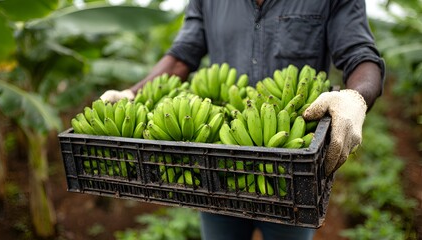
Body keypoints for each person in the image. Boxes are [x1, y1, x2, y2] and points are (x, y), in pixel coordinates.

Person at [101, 0, 385, 239]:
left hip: (292, 171)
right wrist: (132, 93)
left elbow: (360, 54)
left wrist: (356, 97)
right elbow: (181, 56)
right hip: (221, 166)